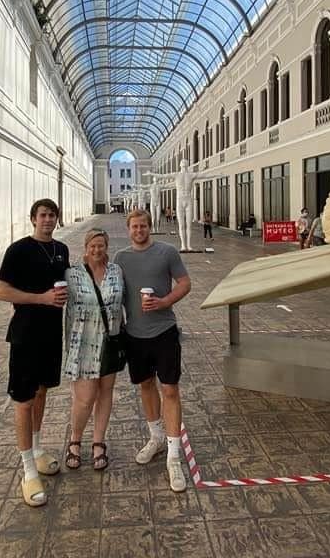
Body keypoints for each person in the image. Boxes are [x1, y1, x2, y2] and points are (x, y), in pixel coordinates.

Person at [0, 198, 70, 508]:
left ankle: (37, 451)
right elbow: (1, 291)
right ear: (32, 219)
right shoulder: (18, 250)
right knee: (24, 400)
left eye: (52, 215)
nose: (48, 220)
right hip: (25, 334)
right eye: (43, 215)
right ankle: (27, 471)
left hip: (51, 335)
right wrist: (40, 298)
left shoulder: (61, 250)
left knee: (41, 393)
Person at [115, 209, 192, 492]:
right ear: (128, 229)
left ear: (149, 227)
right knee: (145, 386)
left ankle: (174, 455)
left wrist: (164, 302)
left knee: (170, 389)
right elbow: (116, 293)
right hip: (135, 335)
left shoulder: (167, 252)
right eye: (134, 226)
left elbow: (185, 283)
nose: (139, 230)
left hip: (164, 332)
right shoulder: (121, 258)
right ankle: (156, 437)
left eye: (143, 226)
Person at [62, 229, 125, 471]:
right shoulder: (73, 274)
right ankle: (75, 440)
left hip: (110, 342)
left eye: (101, 245)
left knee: (106, 392)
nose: (97, 250)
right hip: (82, 345)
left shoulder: (116, 271)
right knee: (85, 398)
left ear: (106, 247)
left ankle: (99, 442)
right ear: (86, 247)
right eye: (93, 246)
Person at [144, 160, 226, 251]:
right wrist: (151, 173)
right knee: (182, 225)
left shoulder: (191, 175)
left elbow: (204, 175)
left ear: (186, 165)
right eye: (182, 162)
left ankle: (189, 245)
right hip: (180, 201)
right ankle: (183, 245)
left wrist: (217, 174)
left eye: (185, 162)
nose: (183, 163)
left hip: (188, 200)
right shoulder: (177, 175)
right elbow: (163, 176)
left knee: (189, 225)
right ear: (180, 165)